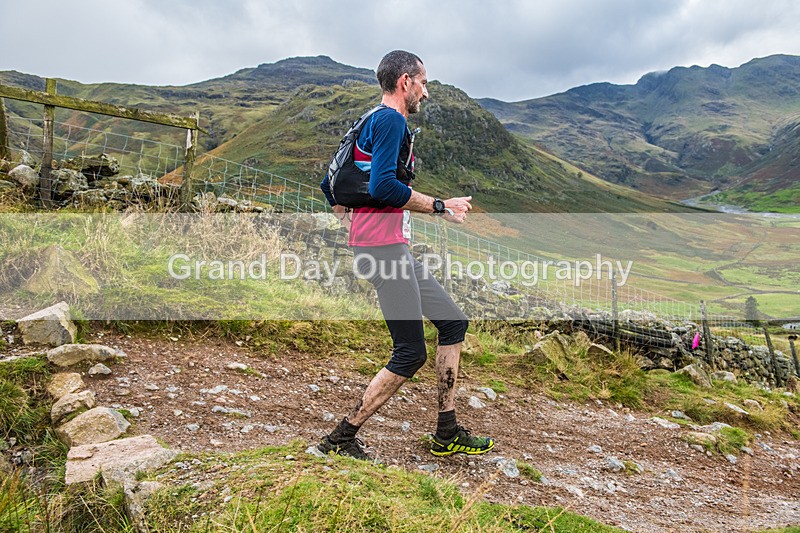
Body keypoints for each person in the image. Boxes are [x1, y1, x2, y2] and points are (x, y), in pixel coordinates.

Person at [318, 50, 495, 460]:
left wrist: (349, 223)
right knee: (410, 352)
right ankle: (340, 439)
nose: (426, 93)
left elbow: (331, 184)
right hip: (383, 252)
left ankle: (446, 431)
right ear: (405, 82)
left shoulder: (368, 120)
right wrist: (440, 206)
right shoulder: (392, 120)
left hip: (386, 247)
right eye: (423, 83)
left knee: (453, 322)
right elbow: (383, 188)